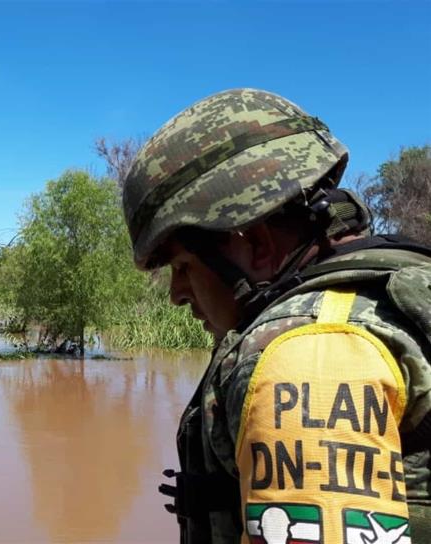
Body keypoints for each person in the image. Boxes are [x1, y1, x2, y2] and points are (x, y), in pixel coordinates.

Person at [121, 89, 430, 543]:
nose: (176, 294)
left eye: (183, 266)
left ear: (257, 243)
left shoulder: (310, 353)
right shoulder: (401, 282)